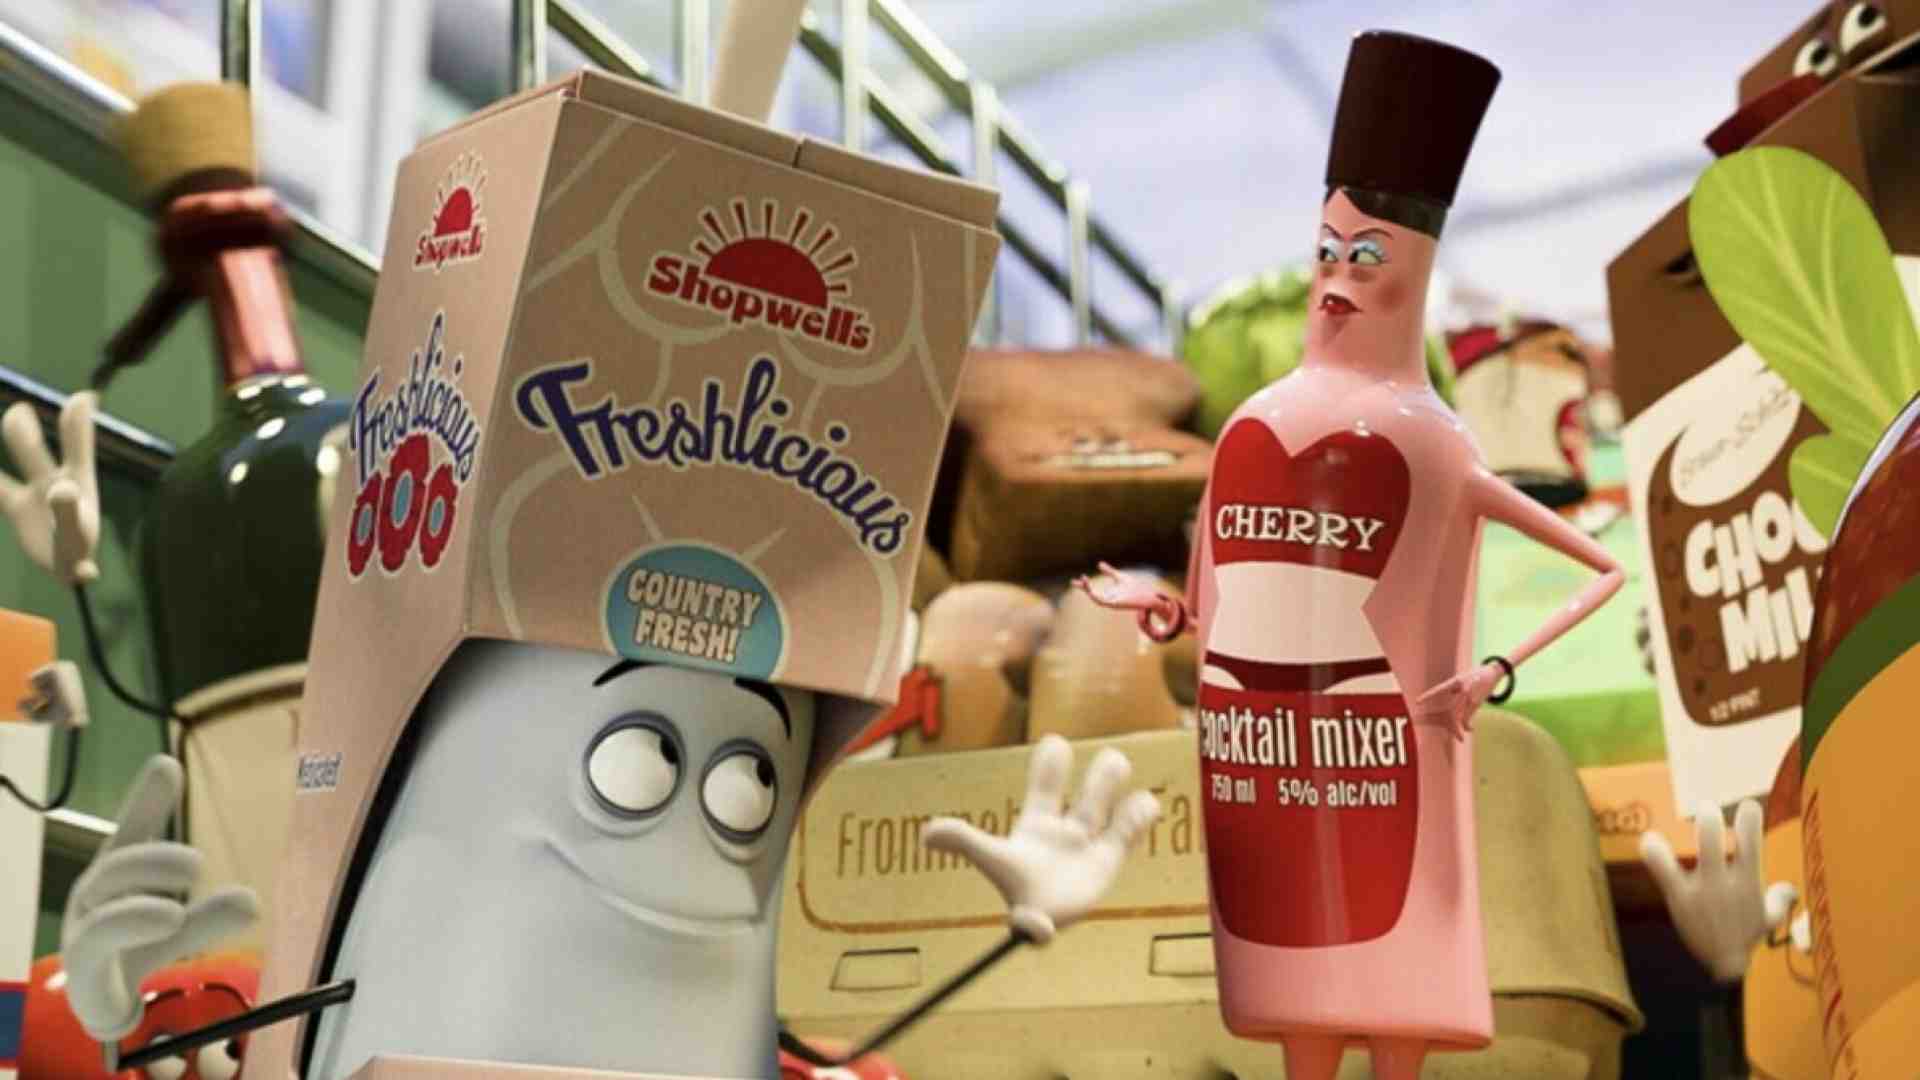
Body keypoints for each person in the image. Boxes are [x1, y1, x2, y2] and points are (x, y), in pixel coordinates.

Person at [1082, 30, 1624, 1080]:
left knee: (1395, 975)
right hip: (1264, 761)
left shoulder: (1438, 443)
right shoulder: (1251, 430)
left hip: (1384, 752)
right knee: (1291, 971)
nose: (1337, 276)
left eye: (1366, 255)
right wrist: (1165, 614)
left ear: (1414, 265)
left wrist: (1494, 670)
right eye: (1328, 251)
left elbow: (1601, 567)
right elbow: (1217, 595)